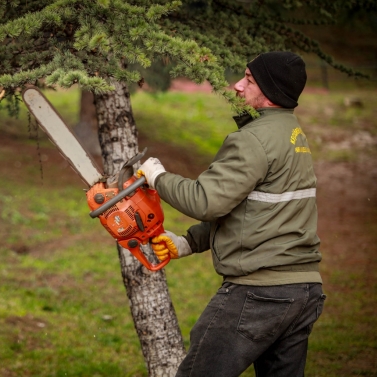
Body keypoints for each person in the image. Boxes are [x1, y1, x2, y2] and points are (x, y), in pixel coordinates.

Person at [137, 51, 326, 377]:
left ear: (270, 90)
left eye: (249, 79)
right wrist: (188, 242)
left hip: (259, 294)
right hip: (303, 292)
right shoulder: (294, 136)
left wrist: (157, 177)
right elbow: (252, 209)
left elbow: (205, 200)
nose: (237, 86)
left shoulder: (253, 140)